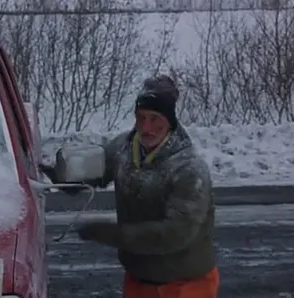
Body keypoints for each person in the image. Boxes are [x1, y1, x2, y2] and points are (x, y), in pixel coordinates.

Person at [43, 74, 219, 298]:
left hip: (186, 285)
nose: (146, 127)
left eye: (155, 119)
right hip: (138, 280)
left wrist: (113, 234)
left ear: (170, 122)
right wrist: (55, 174)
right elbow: (88, 177)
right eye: (141, 118)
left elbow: (175, 234)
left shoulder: (189, 169)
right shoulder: (123, 149)